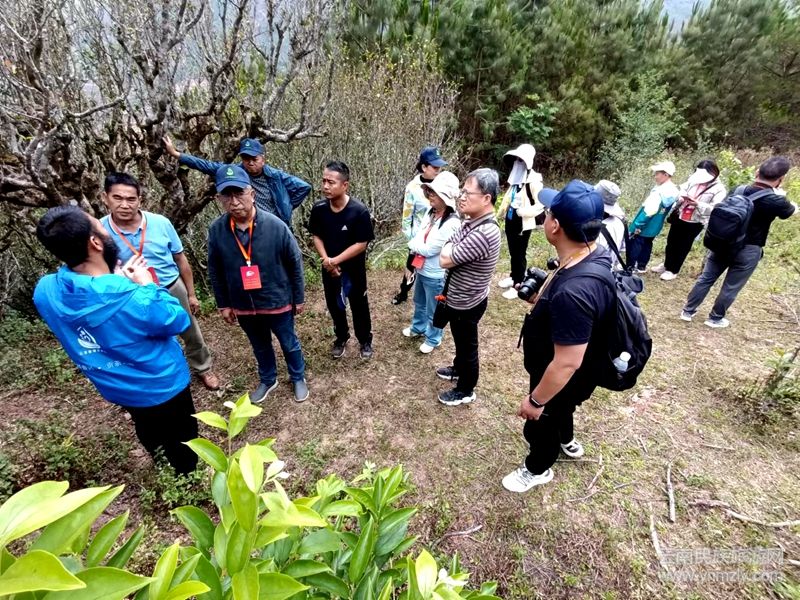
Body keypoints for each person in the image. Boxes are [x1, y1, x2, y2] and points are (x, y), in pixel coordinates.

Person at [33, 206, 198, 475]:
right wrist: (145, 284)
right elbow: (177, 320)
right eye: (100, 227)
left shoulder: (45, 291)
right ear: (96, 242)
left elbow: (94, 299)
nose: (106, 229)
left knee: (146, 427)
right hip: (162, 383)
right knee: (183, 434)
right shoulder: (132, 297)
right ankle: (189, 475)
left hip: (117, 386)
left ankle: (162, 464)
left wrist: (114, 280)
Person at [502, 180, 615, 493]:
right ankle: (566, 436)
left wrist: (536, 400)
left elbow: (566, 363)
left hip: (562, 375)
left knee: (541, 424)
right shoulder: (593, 253)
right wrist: (541, 302)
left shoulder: (574, 292)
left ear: (555, 226)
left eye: (549, 213)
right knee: (563, 410)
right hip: (578, 370)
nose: (545, 216)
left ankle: (537, 467)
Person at [99, 172, 219, 391]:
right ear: (105, 198)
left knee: (190, 329)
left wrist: (191, 294)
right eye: (117, 198)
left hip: (171, 287)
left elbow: (180, 259)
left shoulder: (160, 223)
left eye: (131, 199)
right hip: (133, 295)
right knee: (145, 337)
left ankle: (203, 367)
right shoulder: (100, 231)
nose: (124, 205)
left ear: (140, 200)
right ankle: (158, 375)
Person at [208, 165, 308, 402]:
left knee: (288, 342)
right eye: (227, 196)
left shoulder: (276, 225)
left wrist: (299, 297)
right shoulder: (217, 230)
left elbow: (295, 263)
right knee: (259, 345)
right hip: (243, 303)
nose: (234, 202)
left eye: (239, 193)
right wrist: (224, 304)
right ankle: (268, 379)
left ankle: (297, 377)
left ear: (252, 194)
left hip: (277, 300)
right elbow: (215, 269)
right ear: (219, 199)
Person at [681, 156, 796, 328]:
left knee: (706, 278)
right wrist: (781, 195)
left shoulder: (738, 190)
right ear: (781, 179)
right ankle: (715, 318)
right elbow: (790, 212)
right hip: (749, 248)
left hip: (723, 242)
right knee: (731, 286)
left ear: (757, 172)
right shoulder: (776, 200)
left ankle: (688, 311)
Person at [435, 168, 502, 406]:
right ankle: (458, 368)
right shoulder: (471, 221)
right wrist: (450, 247)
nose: (461, 197)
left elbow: (444, 259)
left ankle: (466, 389)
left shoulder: (485, 231)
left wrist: (449, 249)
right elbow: (449, 244)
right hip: (460, 296)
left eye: (467, 193)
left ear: (486, 198)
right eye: (461, 192)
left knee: (467, 346)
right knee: (460, 340)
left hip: (468, 302)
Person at [163, 135, 311, 229]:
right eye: (246, 159)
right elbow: (206, 165)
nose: (250, 163)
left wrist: (285, 207)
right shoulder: (236, 173)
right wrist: (176, 154)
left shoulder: (275, 176)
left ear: (262, 159)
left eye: (254, 159)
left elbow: (304, 187)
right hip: (250, 225)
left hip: (276, 225)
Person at [309, 161, 376, 359]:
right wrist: (327, 260)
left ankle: (364, 340)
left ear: (345, 185)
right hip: (329, 268)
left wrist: (335, 260)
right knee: (335, 305)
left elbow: (361, 243)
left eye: (331, 182)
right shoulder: (319, 209)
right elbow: (316, 236)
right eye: (324, 181)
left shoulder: (359, 211)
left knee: (359, 305)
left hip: (353, 270)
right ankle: (341, 336)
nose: (325, 186)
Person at [402, 171, 461, 353]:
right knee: (419, 301)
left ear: (445, 197)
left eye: (434, 192)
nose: (430, 195)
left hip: (436, 274)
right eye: (429, 191)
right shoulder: (431, 213)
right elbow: (420, 237)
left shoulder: (451, 222)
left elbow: (429, 249)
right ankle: (418, 327)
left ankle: (433, 338)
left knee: (434, 309)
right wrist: (416, 250)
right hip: (422, 269)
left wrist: (412, 245)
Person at [652, 159, 727, 281]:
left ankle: (673, 270)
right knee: (671, 242)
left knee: (683, 245)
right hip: (680, 215)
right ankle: (666, 264)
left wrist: (698, 204)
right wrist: (683, 196)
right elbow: (683, 188)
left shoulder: (719, 189)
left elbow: (715, 208)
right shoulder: (694, 179)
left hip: (695, 221)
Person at [392, 146, 447, 305]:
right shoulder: (413, 188)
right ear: (424, 167)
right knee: (412, 266)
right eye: (434, 167)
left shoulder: (442, 184)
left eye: (439, 167)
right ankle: (403, 292)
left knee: (437, 268)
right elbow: (407, 217)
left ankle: (440, 297)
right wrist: (411, 241)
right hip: (418, 238)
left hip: (438, 235)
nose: (438, 170)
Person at [496, 144, 545, 299]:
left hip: (523, 223)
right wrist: (500, 213)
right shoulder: (516, 179)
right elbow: (507, 198)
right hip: (511, 220)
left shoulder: (534, 181)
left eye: (521, 160)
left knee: (519, 253)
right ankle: (513, 276)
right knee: (512, 251)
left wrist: (523, 212)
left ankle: (518, 283)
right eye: (516, 159)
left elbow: (541, 204)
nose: (518, 162)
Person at [627, 161, 679, 273]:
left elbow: (649, 211)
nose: (655, 176)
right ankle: (641, 266)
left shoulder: (659, 193)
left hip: (646, 223)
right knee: (647, 243)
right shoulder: (673, 190)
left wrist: (638, 225)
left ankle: (630, 266)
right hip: (656, 224)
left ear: (666, 174)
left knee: (636, 243)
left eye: (657, 174)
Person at [594, 180, 626, 268]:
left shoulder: (594, 228)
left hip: (594, 271)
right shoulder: (620, 223)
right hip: (609, 269)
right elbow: (622, 248)